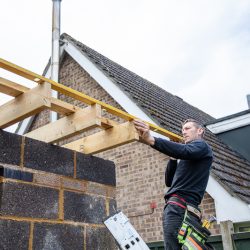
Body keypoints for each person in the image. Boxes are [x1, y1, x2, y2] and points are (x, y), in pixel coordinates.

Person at [133, 119, 213, 250]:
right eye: (183, 129)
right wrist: (173, 158)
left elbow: (184, 151)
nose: (183, 132)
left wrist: (152, 139)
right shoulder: (191, 156)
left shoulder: (202, 146)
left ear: (200, 131)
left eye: (187, 128)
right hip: (181, 208)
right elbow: (169, 181)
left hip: (180, 207)